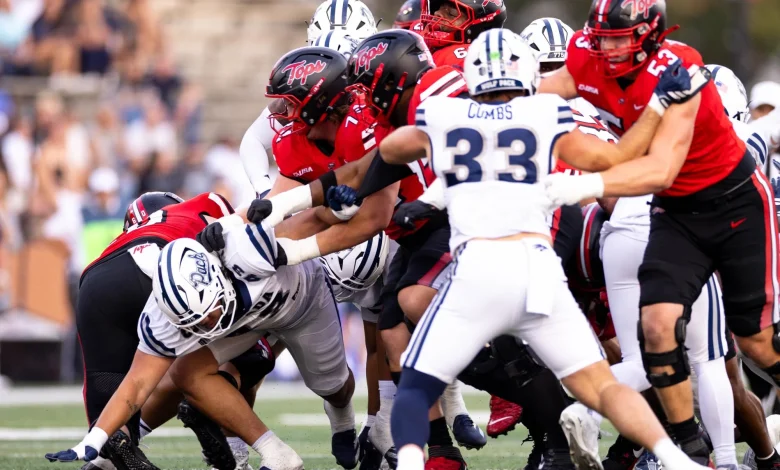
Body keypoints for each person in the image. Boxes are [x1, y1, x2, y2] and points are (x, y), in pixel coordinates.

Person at [362, 28, 711, 470]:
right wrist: (659, 106)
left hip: (477, 273)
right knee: (602, 387)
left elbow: (391, 149)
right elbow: (617, 156)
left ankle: (413, 463)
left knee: (416, 385)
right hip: (537, 271)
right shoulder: (545, 113)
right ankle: (678, 461)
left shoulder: (443, 114)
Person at [538, 1, 780, 467]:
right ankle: (689, 450)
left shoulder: (678, 69)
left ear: (649, 38)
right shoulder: (588, 55)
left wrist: (587, 185)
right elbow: (541, 93)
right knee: (656, 327)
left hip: (732, 203)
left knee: (756, 343)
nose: (606, 49)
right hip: (675, 211)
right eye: (601, 38)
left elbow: (661, 167)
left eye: (618, 40)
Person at [45, 213, 361, 470]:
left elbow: (311, 219)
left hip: (303, 304)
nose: (205, 325)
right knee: (186, 372)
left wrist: (341, 209)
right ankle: (277, 454)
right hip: (246, 321)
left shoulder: (246, 251)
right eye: (193, 323)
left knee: (333, 386)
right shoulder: (165, 312)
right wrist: (93, 440)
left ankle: (342, 416)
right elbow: (137, 384)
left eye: (206, 315)